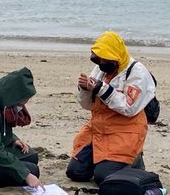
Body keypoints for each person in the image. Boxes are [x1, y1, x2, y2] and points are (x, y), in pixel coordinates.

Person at [66, 31, 156, 185]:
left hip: (125, 131)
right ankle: (107, 163)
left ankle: (134, 161)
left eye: (104, 59)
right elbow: (88, 106)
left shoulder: (137, 72)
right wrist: (85, 90)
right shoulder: (100, 70)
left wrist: (101, 89)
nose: (101, 63)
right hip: (98, 129)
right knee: (76, 172)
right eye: (98, 59)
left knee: (103, 177)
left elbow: (129, 108)